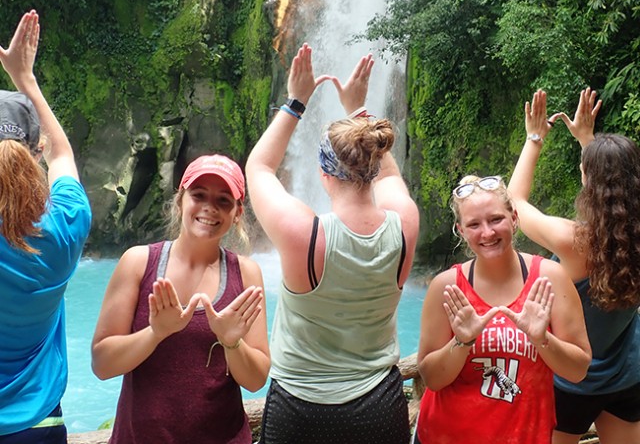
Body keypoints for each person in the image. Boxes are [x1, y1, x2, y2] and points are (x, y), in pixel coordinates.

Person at [245, 44, 420, 444]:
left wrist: (296, 100)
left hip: (299, 408)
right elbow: (389, 177)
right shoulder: (403, 224)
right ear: (374, 169)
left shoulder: (303, 236)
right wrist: (358, 109)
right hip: (378, 403)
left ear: (324, 176)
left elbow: (258, 167)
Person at [91, 154, 270, 443]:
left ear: (237, 212)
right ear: (180, 200)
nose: (209, 208)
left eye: (223, 200)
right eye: (198, 195)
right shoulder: (138, 263)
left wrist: (231, 342)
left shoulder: (246, 274)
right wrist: (155, 333)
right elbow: (102, 364)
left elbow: (255, 380)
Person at [415, 174, 591, 444]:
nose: (487, 233)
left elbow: (578, 370)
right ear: (460, 230)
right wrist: (462, 342)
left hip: (523, 435)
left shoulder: (549, 279)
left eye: (496, 219)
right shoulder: (447, 287)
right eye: (474, 224)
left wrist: (542, 339)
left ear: (514, 218)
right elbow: (432, 379)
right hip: (448, 435)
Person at [507, 88, 640, 444]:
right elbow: (613, 190)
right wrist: (587, 139)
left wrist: (534, 139)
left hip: (571, 382)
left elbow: (515, 202)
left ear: (586, 179)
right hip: (628, 377)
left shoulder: (574, 241)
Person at [0, 10, 92, 443]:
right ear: (34, 150)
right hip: (38, 425)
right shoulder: (65, 228)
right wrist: (26, 79)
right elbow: (63, 156)